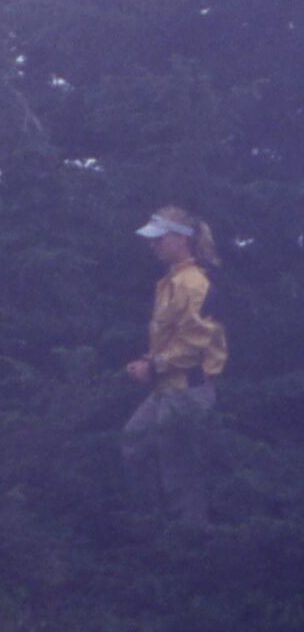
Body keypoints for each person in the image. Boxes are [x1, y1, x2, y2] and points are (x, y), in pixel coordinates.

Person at [123, 205, 227, 529]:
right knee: (134, 443)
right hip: (167, 385)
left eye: (159, 239)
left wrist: (153, 365)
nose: (152, 245)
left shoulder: (193, 283)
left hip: (186, 390)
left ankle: (190, 543)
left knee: (180, 471)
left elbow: (194, 344)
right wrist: (150, 361)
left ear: (180, 240)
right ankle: (154, 527)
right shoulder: (171, 280)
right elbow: (173, 336)